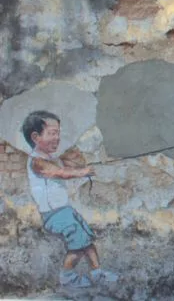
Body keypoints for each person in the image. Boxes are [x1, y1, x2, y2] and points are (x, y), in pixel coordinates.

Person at [22, 110, 118, 288]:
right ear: (35, 137)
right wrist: (81, 172)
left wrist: (83, 167)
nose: (57, 137)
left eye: (58, 132)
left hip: (64, 210)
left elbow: (65, 166)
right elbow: (59, 173)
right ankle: (68, 278)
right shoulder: (36, 161)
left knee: (87, 237)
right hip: (53, 214)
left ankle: (97, 273)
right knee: (78, 242)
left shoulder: (50, 158)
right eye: (52, 133)